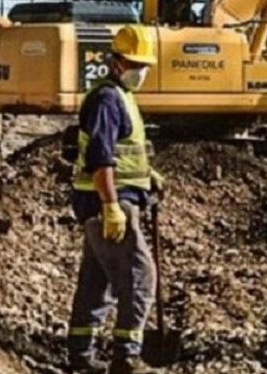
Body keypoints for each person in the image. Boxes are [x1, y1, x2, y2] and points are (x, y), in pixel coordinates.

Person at [67, 25, 161, 374]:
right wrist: (111, 207)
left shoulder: (122, 96)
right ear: (117, 61)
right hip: (109, 202)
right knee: (139, 276)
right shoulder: (108, 99)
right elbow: (101, 158)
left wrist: (147, 177)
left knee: (97, 279)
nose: (141, 70)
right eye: (135, 63)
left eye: (143, 63)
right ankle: (127, 356)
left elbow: (124, 154)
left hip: (107, 200)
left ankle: (81, 353)